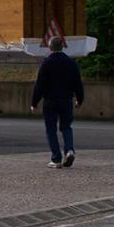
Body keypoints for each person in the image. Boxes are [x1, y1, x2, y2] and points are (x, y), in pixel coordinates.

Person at [30, 36, 84, 169]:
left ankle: (56, 159)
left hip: (50, 100)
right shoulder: (71, 63)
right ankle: (69, 150)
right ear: (63, 46)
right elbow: (78, 83)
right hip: (66, 100)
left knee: (51, 129)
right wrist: (79, 99)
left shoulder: (47, 63)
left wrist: (34, 102)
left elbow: (40, 85)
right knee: (66, 127)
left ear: (50, 47)